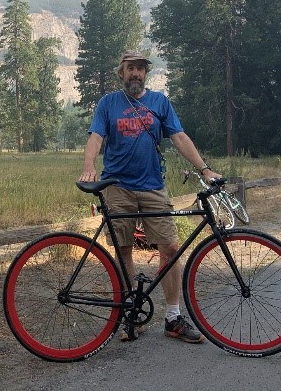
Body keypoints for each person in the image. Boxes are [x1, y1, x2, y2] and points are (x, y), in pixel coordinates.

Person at [79, 49, 221, 344]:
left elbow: (179, 137)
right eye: (131, 67)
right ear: (121, 72)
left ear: (146, 73)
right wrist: (89, 166)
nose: (136, 73)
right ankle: (131, 314)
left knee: (169, 246)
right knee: (124, 249)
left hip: (153, 185)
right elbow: (96, 136)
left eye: (141, 68)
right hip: (117, 186)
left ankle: (173, 317)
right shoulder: (108, 103)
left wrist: (205, 169)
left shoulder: (159, 102)